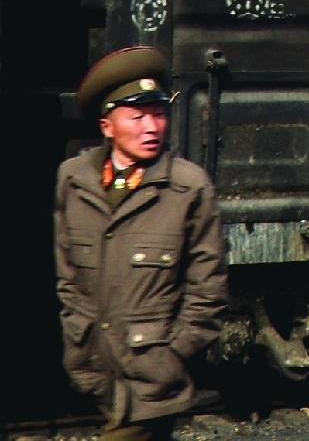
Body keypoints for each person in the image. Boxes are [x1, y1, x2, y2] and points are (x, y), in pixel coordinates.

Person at [54, 46, 228, 441]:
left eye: (159, 114)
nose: (152, 127)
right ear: (107, 126)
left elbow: (208, 289)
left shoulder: (188, 187)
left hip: (151, 377)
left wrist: (172, 353)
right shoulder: (73, 179)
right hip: (93, 368)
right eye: (138, 117)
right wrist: (76, 338)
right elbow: (68, 277)